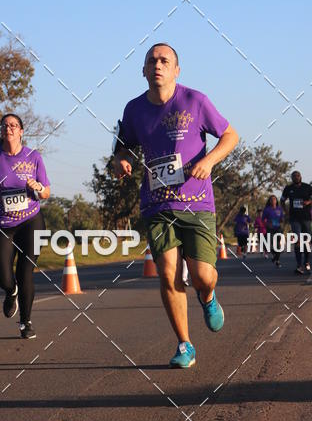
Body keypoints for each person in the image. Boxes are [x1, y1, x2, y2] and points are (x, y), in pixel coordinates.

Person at [113, 44, 238, 369]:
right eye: (152, 61)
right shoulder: (134, 110)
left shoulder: (195, 101)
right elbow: (122, 147)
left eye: (164, 61)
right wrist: (121, 161)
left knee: (202, 276)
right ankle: (185, 344)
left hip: (197, 203)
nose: (158, 65)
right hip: (157, 205)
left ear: (176, 70)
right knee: (168, 274)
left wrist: (209, 160)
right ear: (143, 70)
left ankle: (207, 296)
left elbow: (230, 135)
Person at [0, 114, 51, 339]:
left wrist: (39, 187)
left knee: (25, 272)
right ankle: (10, 291)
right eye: (4, 125)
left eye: (14, 125)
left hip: (31, 220)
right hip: (2, 223)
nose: (9, 128)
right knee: (1, 274)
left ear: (21, 131)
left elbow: (46, 192)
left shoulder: (34, 157)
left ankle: (25, 322)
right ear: (1, 131)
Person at [281, 171, 312, 275]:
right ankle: (299, 265)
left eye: (298, 176)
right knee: (297, 241)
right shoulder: (288, 188)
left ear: (301, 177)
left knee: (307, 241)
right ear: (292, 178)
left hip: (306, 218)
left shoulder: (307, 187)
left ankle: (307, 262)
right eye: (294, 176)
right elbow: (282, 200)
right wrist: (286, 211)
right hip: (294, 218)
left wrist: (308, 202)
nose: (296, 177)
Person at [262, 195, 283, 266]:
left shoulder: (279, 209)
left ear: (276, 201)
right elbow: (263, 219)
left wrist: (282, 220)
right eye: (271, 199)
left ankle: (276, 259)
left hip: (278, 228)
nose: (273, 201)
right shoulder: (267, 209)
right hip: (270, 229)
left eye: (274, 199)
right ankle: (275, 257)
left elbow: (281, 219)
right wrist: (267, 224)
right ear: (269, 201)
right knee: (271, 243)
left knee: (278, 245)